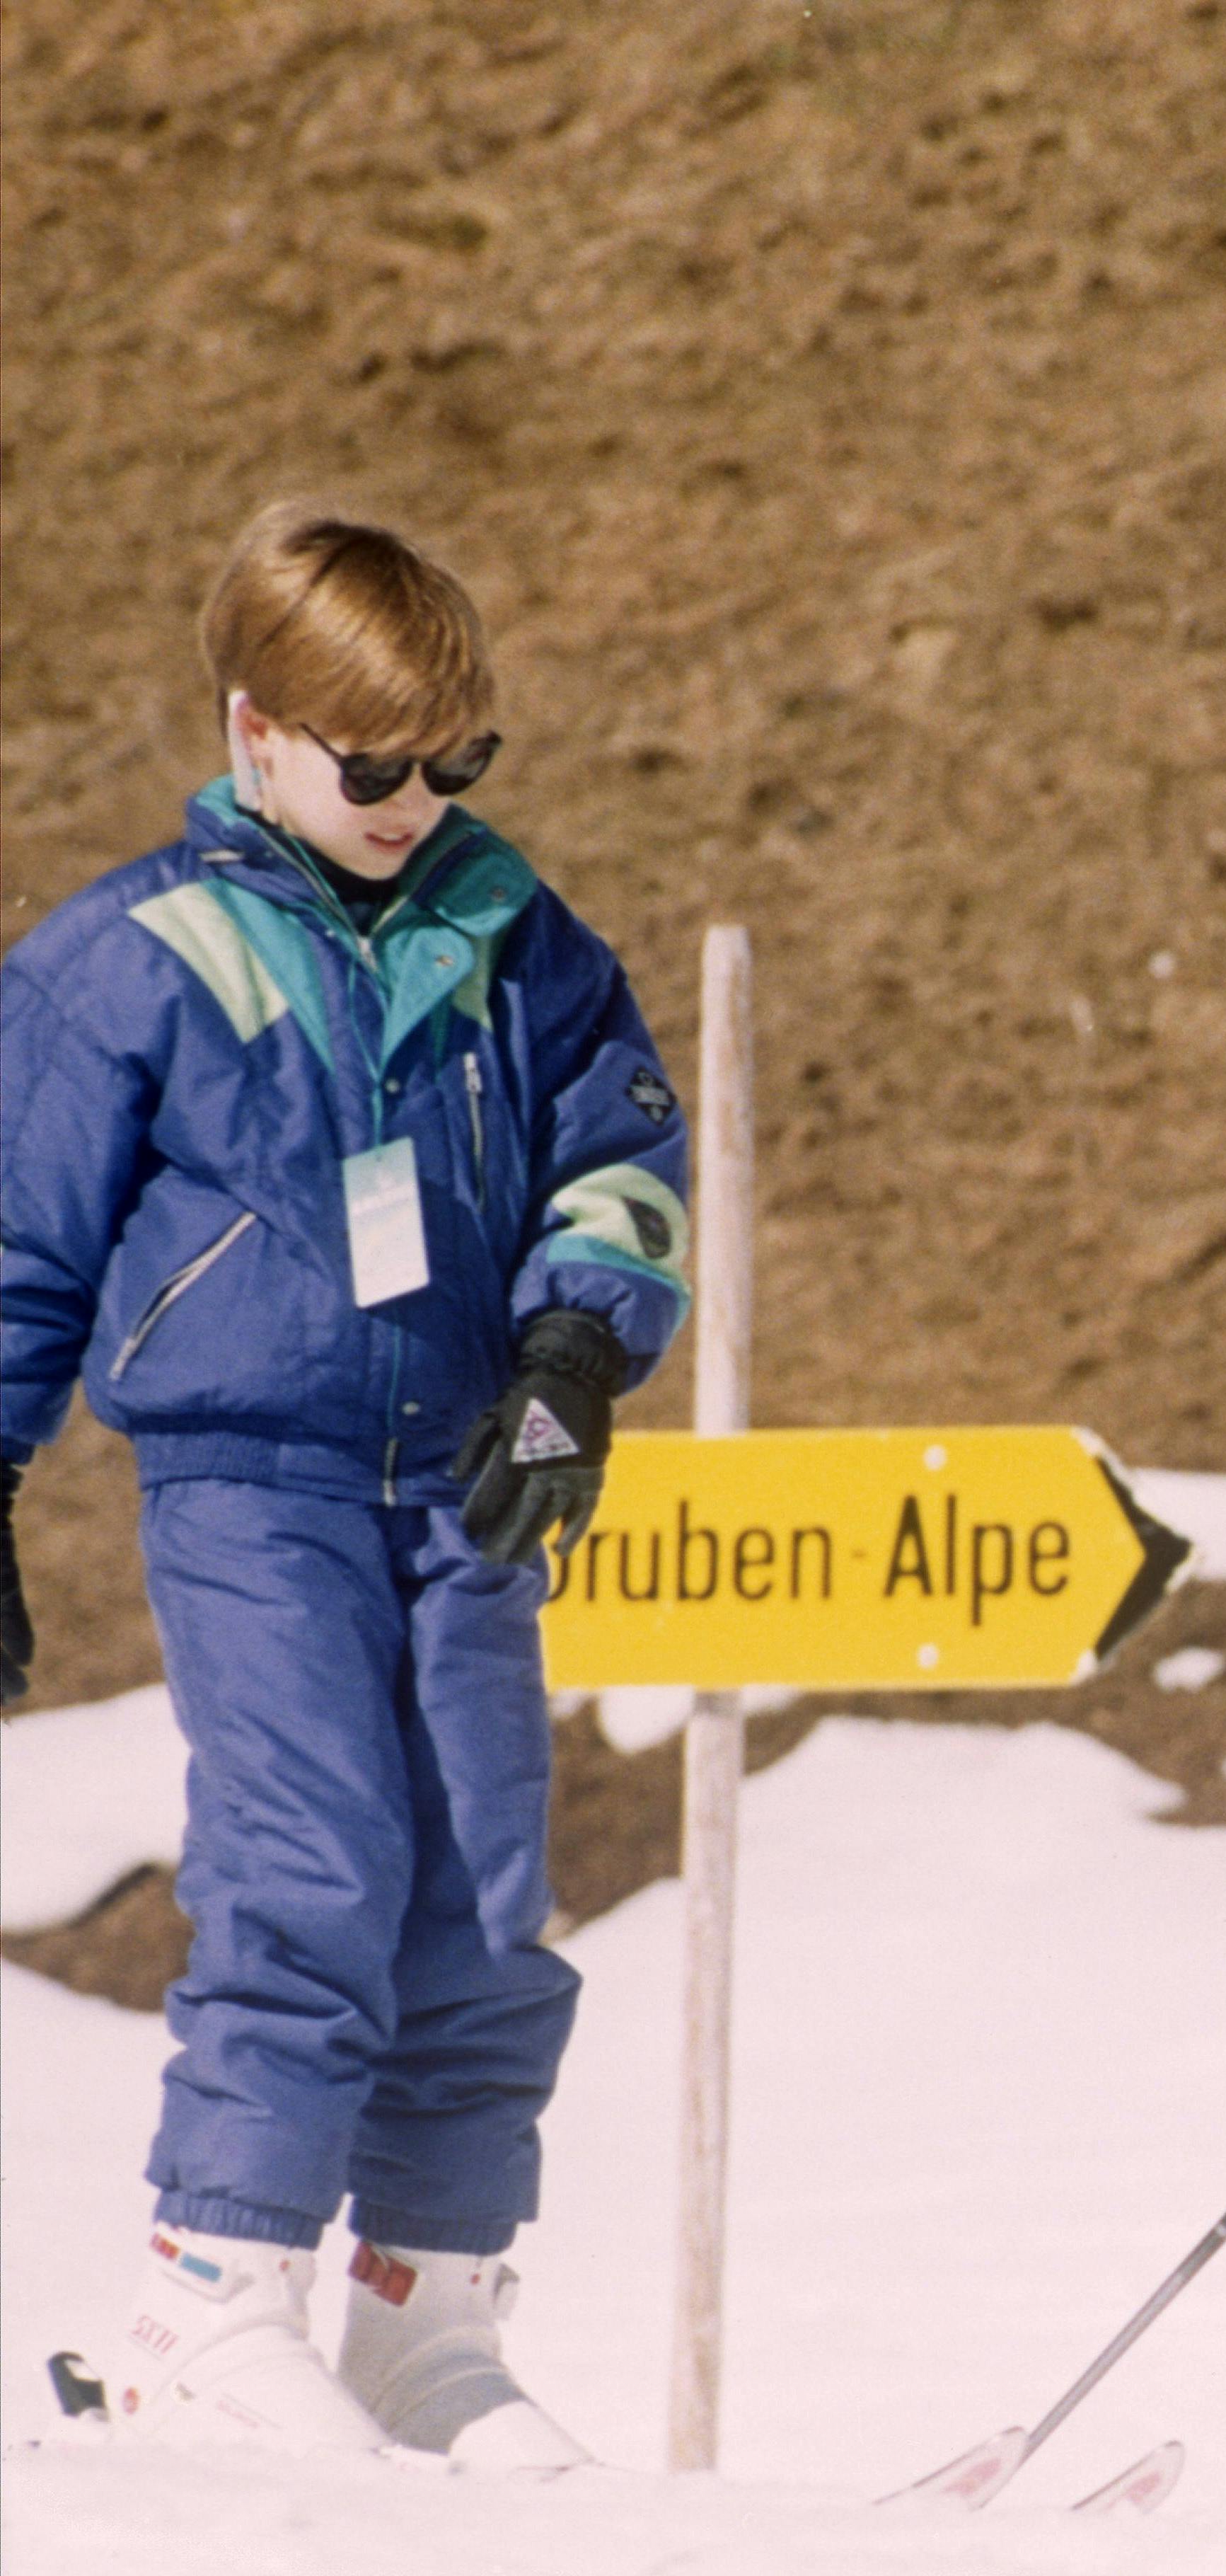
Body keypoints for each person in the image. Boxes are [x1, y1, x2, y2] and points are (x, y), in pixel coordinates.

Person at [0, 502, 691, 2467]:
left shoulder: (519, 941)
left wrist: (570, 1356)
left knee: (481, 1889)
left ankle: (427, 2317)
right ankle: (208, 2298)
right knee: (309, 1865)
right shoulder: (130, 958)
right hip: (255, 1482)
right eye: (373, 768)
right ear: (256, 732)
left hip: (464, 1479)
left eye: (454, 761)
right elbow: (17, 1248)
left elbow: (619, 1161)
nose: (416, 805)